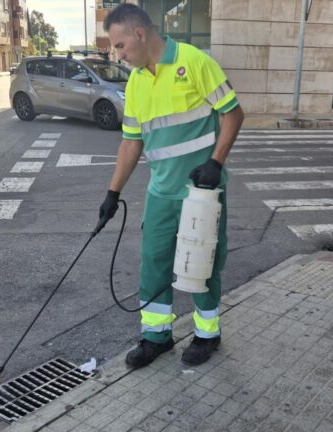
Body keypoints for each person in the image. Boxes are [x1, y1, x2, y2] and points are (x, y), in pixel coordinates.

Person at [98, 4, 244, 369]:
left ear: (139, 34)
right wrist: (112, 193)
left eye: (119, 45)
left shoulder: (193, 62)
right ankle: (156, 337)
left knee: (203, 265)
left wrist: (216, 162)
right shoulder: (135, 82)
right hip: (161, 194)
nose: (117, 53)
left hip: (202, 195)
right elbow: (132, 142)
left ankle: (207, 334)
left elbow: (233, 113)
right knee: (154, 266)